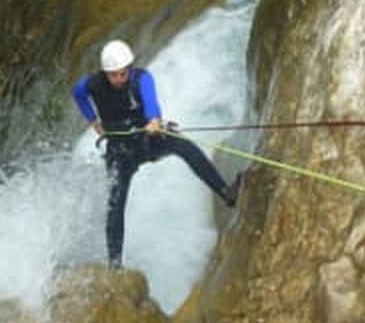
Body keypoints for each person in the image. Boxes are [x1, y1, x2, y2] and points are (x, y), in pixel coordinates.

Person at [72, 39, 241, 268]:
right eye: (114, 75)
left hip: (147, 139)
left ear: (129, 68)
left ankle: (226, 193)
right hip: (119, 150)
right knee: (116, 202)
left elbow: (151, 102)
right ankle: (114, 264)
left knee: (184, 146)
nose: (119, 79)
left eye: (123, 73)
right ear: (105, 73)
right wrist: (93, 121)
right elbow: (78, 94)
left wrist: (154, 120)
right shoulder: (92, 84)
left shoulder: (141, 79)